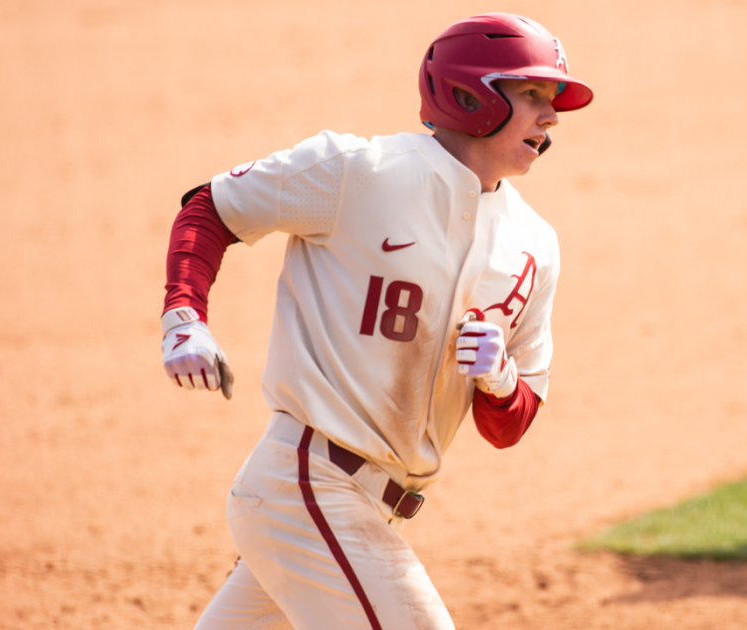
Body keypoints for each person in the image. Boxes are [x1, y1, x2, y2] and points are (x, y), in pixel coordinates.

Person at [158, 12, 592, 630]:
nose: (551, 118)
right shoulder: (357, 172)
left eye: (552, 102)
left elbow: (510, 426)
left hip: (366, 512)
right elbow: (212, 208)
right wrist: (184, 316)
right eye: (532, 96)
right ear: (471, 95)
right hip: (303, 487)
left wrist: (499, 380)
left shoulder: (534, 245)